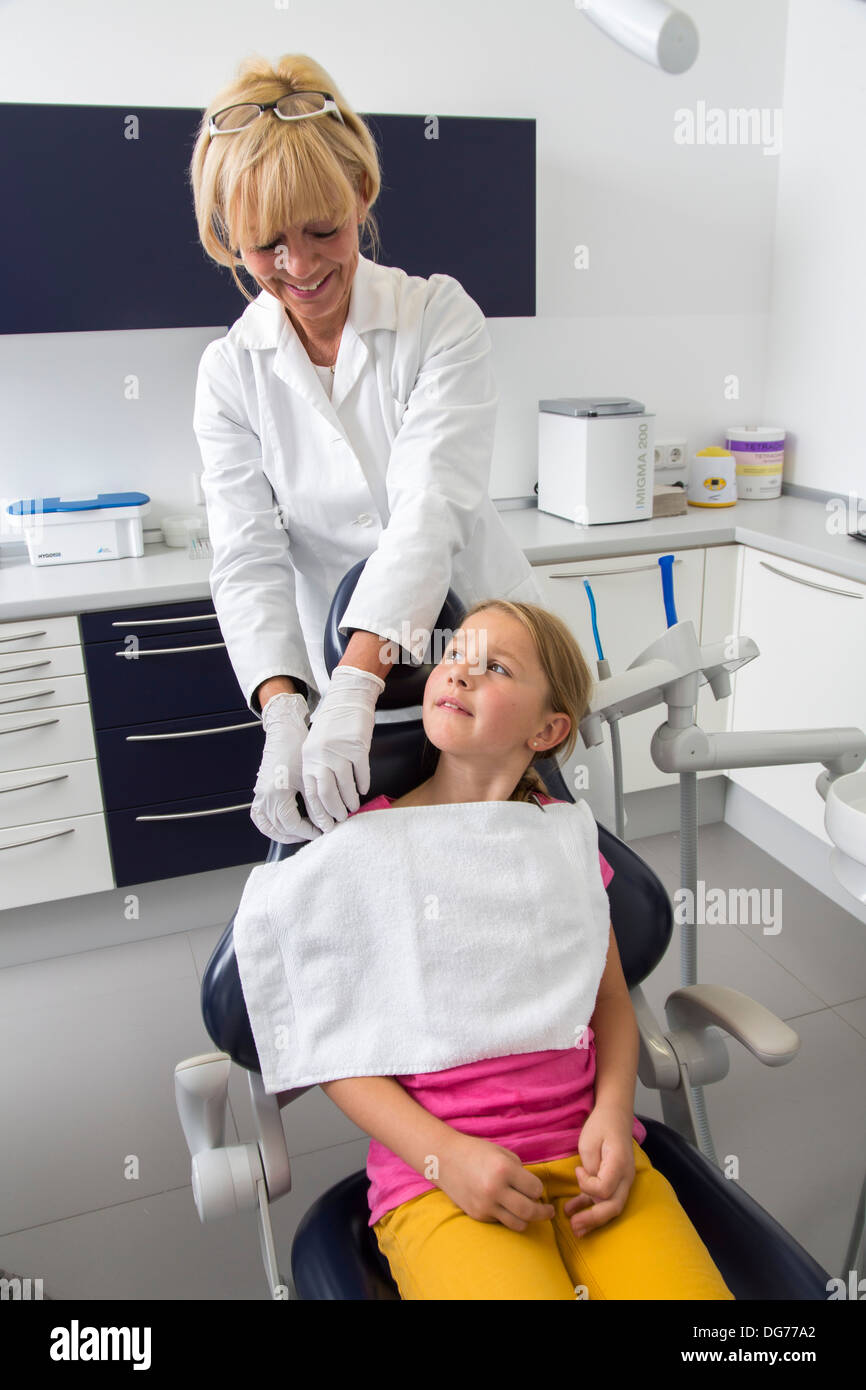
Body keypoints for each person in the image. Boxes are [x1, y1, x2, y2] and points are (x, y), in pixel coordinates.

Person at [189, 52, 613, 846]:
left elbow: (429, 506)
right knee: (381, 883)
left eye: (324, 230)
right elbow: (245, 554)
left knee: (527, 862)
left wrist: (356, 679)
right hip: (344, 690)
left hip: (485, 667)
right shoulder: (228, 374)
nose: (301, 265)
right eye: (266, 244)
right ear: (225, 237)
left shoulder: (438, 317)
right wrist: (286, 707)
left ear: (363, 193)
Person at [319, 599, 735, 1300]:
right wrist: (445, 1158)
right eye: (453, 657)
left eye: (495, 667)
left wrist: (610, 1112)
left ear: (548, 729)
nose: (459, 674)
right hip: (444, 1178)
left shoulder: (562, 841)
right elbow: (335, 1051)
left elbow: (608, 1002)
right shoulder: (370, 850)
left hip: (591, 1158)